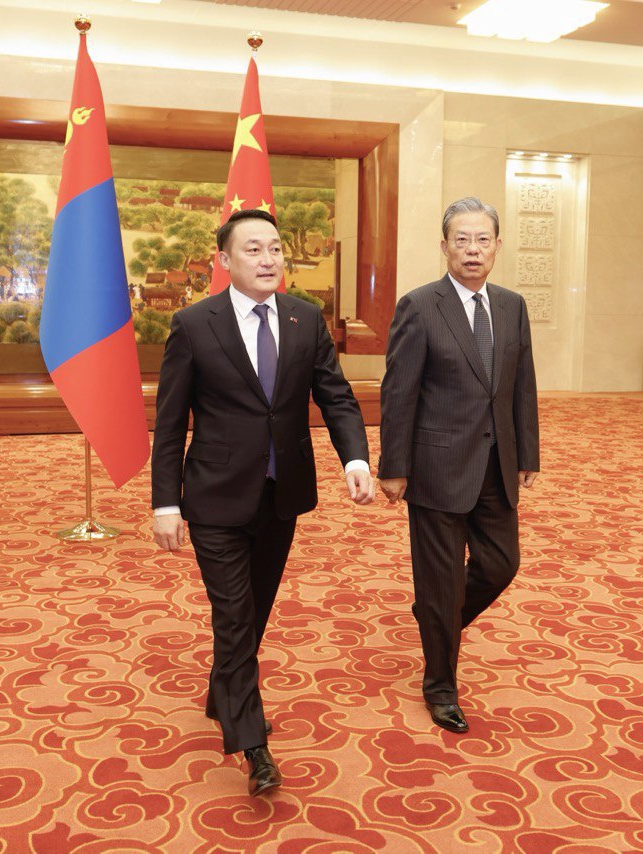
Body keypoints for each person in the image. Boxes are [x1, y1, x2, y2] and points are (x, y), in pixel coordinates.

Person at [151, 209, 376, 796]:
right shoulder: (194, 325)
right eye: (253, 249)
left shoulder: (305, 318)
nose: (269, 259)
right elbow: (171, 423)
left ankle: (222, 691)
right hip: (214, 497)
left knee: (254, 612)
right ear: (224, 261)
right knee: (233, 616)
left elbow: (336, 396)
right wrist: (165, 503)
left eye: (274, 248)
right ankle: (253, 744)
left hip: (282, 494)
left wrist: (355, 459)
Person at [377, 196, 540, 734]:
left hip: (497, 464)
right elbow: (399, 391)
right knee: (441, 580)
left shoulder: (512, 306)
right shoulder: (420, 306)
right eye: (462, 240)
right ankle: (441, 686)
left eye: (482, 240)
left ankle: (436, 616)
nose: (473, 249)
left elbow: (521, 385)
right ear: (444, 246)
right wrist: (394, 465)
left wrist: (528, 453)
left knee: (501, 565)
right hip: (437, 466)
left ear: (497, 246)